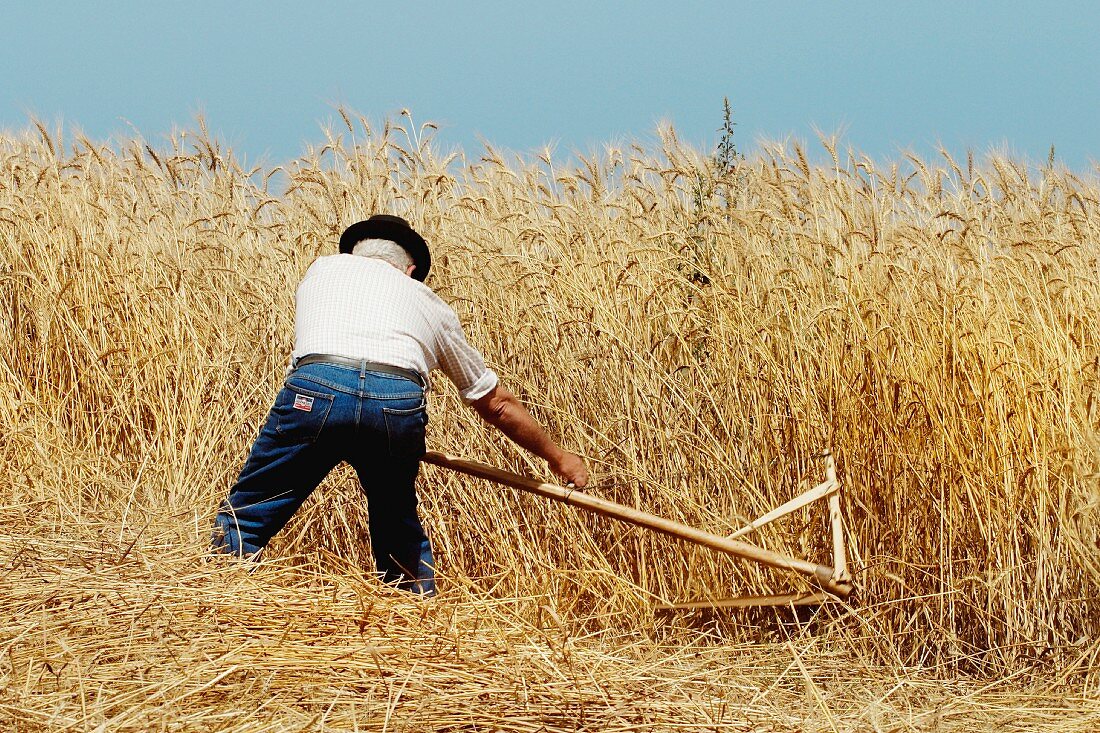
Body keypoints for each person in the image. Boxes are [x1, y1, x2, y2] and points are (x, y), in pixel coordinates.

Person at [211, 214, 589, 595]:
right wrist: (558, 457)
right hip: (395, 403)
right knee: (397, 527)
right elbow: (495, 404)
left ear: (355, 253)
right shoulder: (430, 303)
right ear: (410, 270)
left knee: (251, 511)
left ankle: (216, 596)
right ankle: (416, 619)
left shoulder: (319, 270)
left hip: (317, 389)